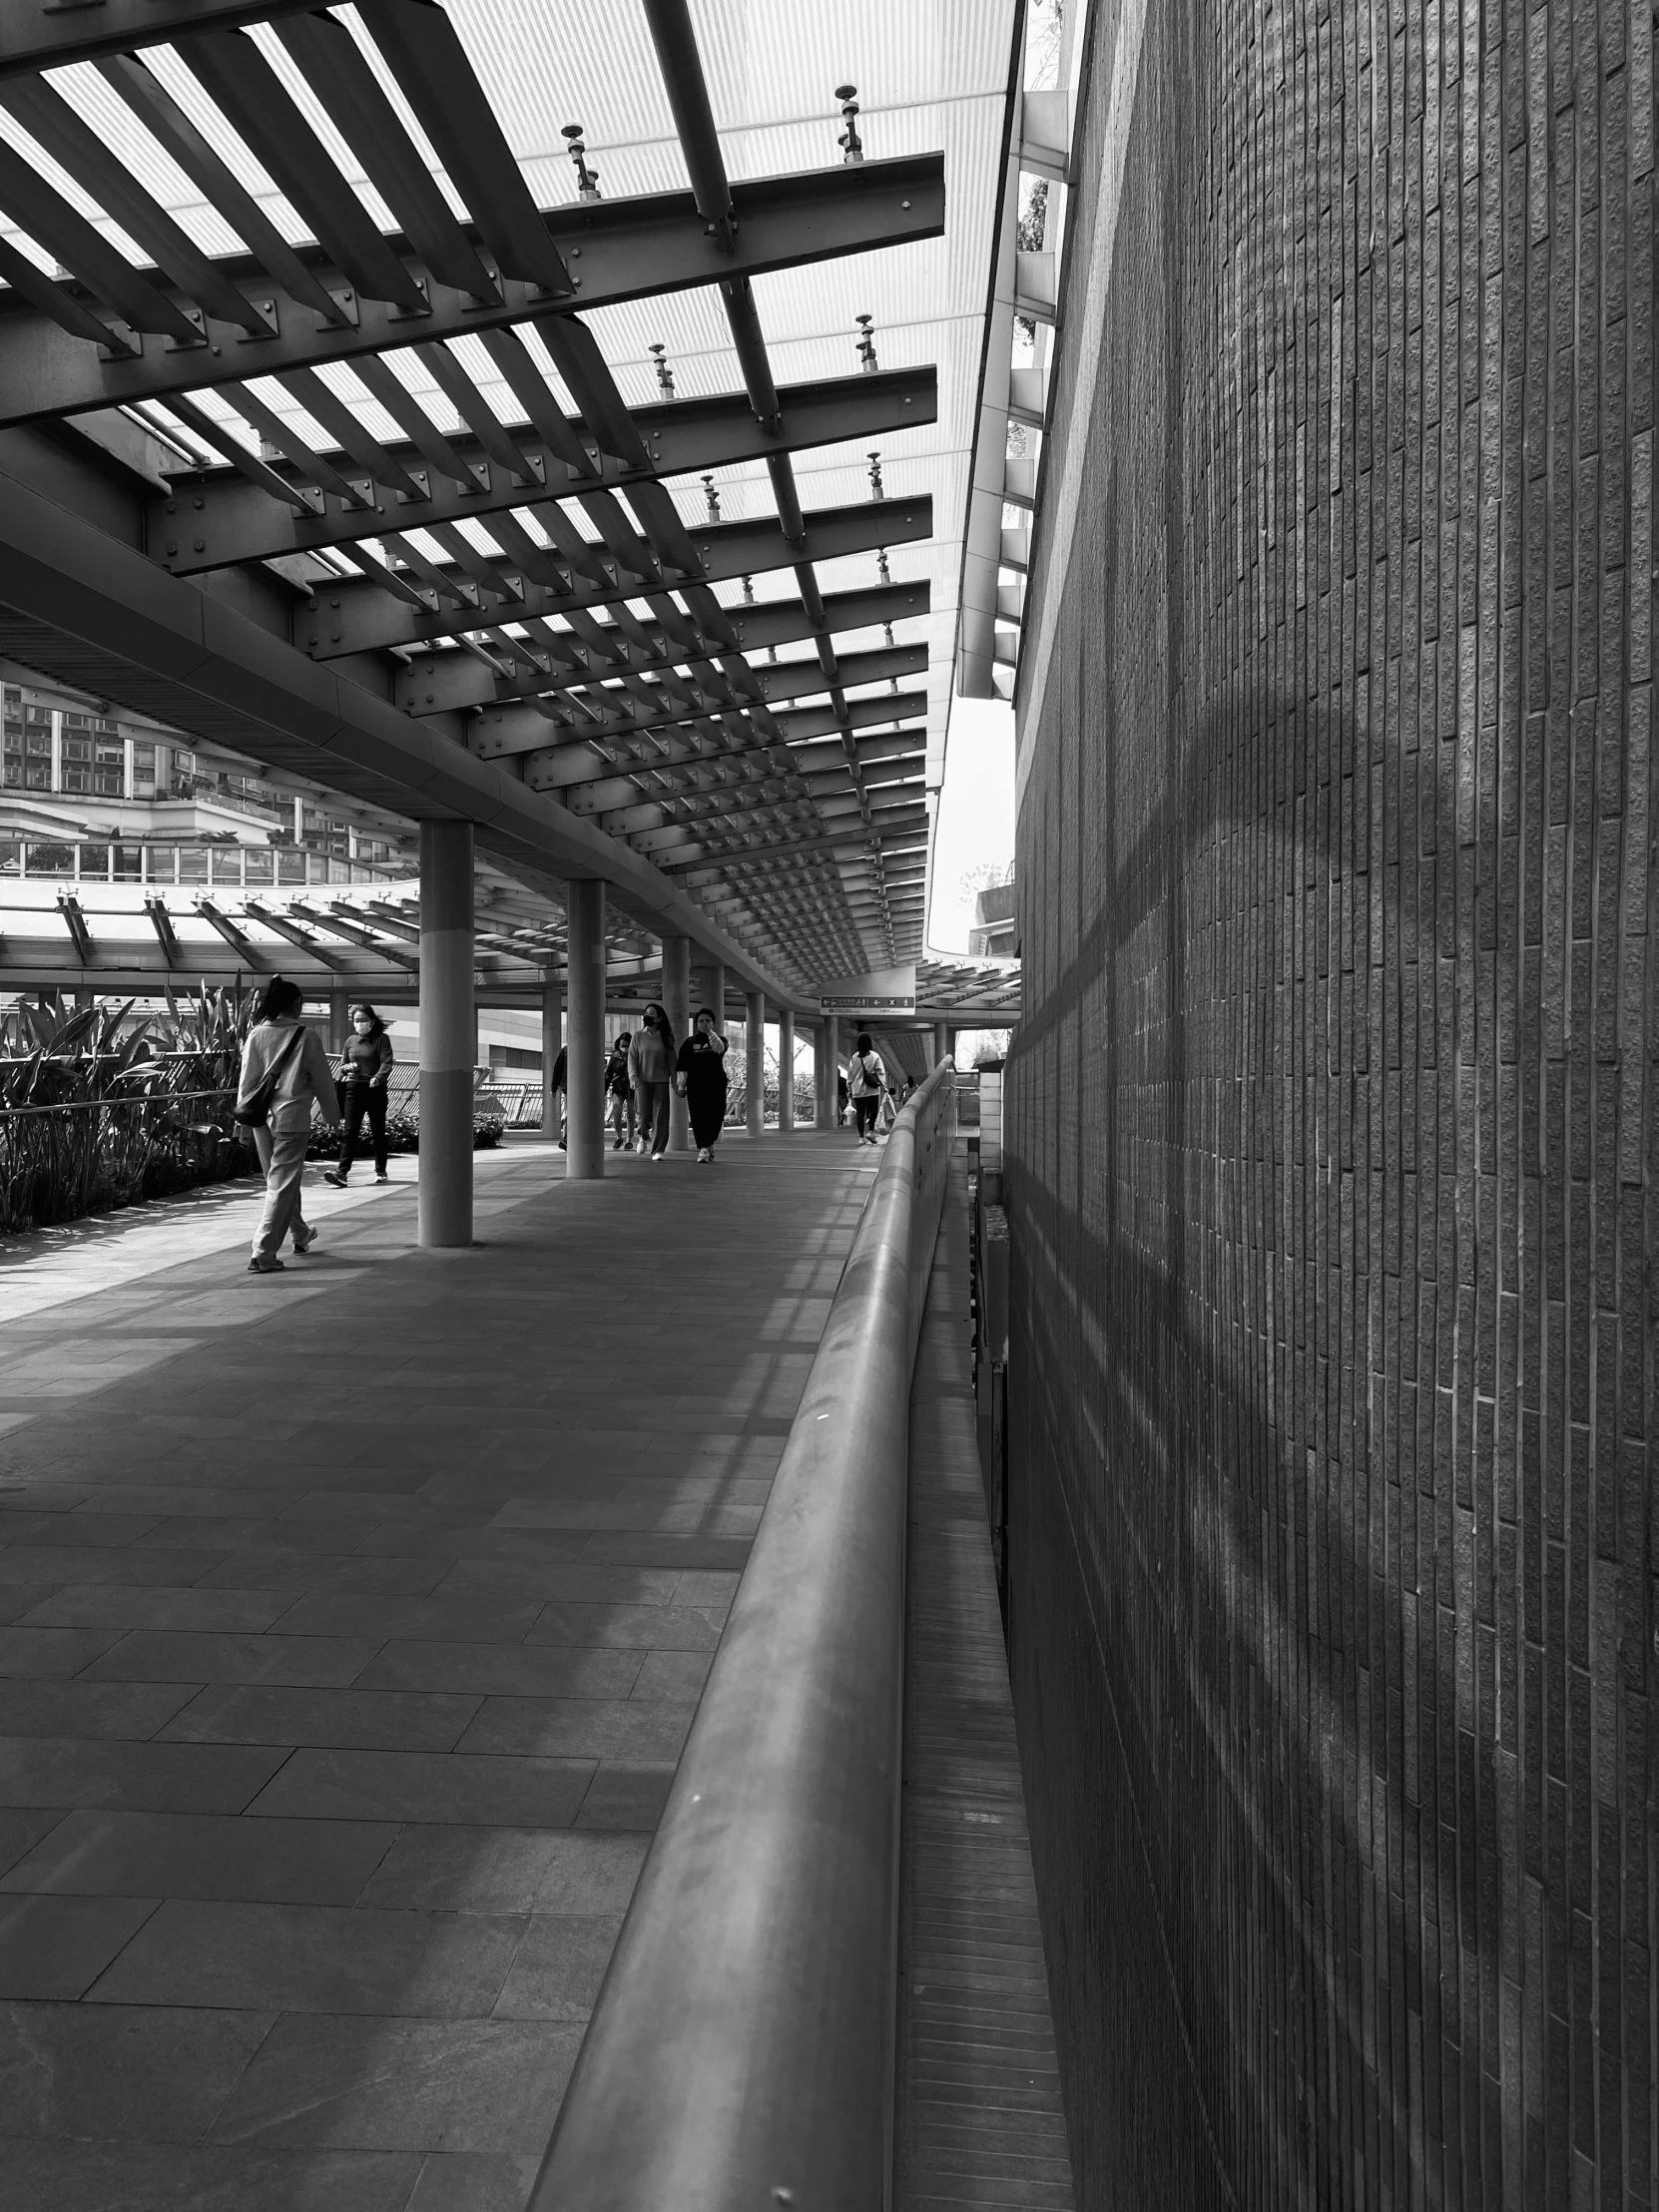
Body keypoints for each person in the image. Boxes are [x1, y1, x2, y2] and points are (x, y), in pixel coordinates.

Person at [238, 977, 339, 1275]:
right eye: (300, 1001)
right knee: (281, 1185)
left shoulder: (256, 1034)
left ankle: (300, 1233)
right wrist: (332, 1117)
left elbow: (246, 1083)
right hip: (292, 1119)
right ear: (294, 1003)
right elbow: (322, 1080)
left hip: (259, 1120)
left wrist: (242, 1127)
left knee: (279, 1183)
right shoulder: (306, 1036)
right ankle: (263, 1253)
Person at [322, 1002, 392, 1188]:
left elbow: (387, 1062)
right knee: (350, 1131)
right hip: (353, 1089)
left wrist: (378, 1077)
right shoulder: (350, 1041)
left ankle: (381, 1170)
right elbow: (343, 1066)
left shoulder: (381, 1039)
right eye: (356, 1020)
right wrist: (348, 1068)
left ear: (372, 1021)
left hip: (374, 1089)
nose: (359, 1023)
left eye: (363, 1020)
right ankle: (342, 1172)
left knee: (378, 1130)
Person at [676, 1006, 729, 1163]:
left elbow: (719, 1049)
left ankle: (709, 1143)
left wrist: (710, 1033)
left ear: (713, 1023)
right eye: (701, 1021)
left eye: (707, 1021)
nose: (704, 1024)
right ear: (696, 1024)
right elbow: (682, 1066)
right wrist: (681, 1086)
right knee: (698, 1117)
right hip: (696, 1085)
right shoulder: (689, 1043)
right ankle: (704, 1149)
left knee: (716, 1116)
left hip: (716, 1085)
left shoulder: (720, 1040)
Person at [628, 1003, 677, 1159]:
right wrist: (633, 1075)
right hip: (641, 1081)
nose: (646, 1017)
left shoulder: (666, 1038)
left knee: (660, 1116)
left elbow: (672, 1062)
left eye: (650, 1014)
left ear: (659, 1019)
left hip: (661, 1081)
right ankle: (643, 1136)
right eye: (646, 1013)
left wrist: (676, 1082)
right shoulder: (637, 1036)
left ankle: (658, 1150)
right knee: (642, 1115)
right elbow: (632, 1057)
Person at [846, 1031, 885, 1146]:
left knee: (860, 1113)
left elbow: (850, 1074)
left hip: (857, 1090)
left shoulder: (854, 1057)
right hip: (872, 1090)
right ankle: (870, 1131)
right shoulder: (874, 1056)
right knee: (873, 1112)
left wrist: (849, 1087)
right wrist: (884, 1086)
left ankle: (861, 1137)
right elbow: (880, 1072)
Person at [606, 1032, 635, 1150]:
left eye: (627, 1045)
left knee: (631, 1114)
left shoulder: (635, 1055)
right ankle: (619, 1138)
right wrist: (605, 1087)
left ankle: (629, 1140)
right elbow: (608, 1073)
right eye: (622, 1045)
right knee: (617, 1112)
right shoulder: (615, 1056)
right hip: (618, 1087)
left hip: (631, 1087)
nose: (624, 1048)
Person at [549, 1041, 568, 1149]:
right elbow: (558, 1069)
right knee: (569, 1113)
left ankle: (567, 1139)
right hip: (567, 1087)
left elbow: (557, 1069)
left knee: (570, 1113)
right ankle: (566, 1139)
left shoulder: (565, 1051)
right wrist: (554, 1086)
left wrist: (554, 1086)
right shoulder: (565, 1051)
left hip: (568, 1086)